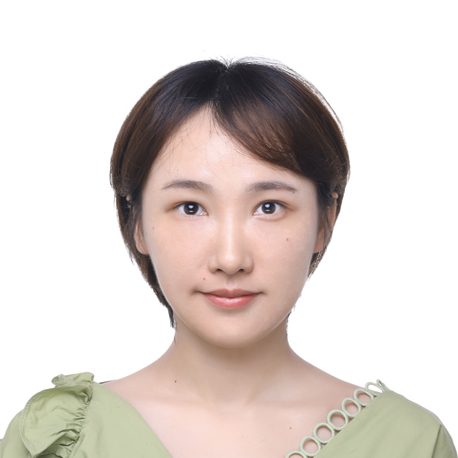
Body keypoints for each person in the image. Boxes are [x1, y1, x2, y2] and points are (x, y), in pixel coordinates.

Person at [0, 59, 455, 458]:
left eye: (269, 207)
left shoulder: (409, 442)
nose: (231, 258)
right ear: (137, 223)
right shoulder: (58, 441)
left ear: (324, 221)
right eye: (190, 207)